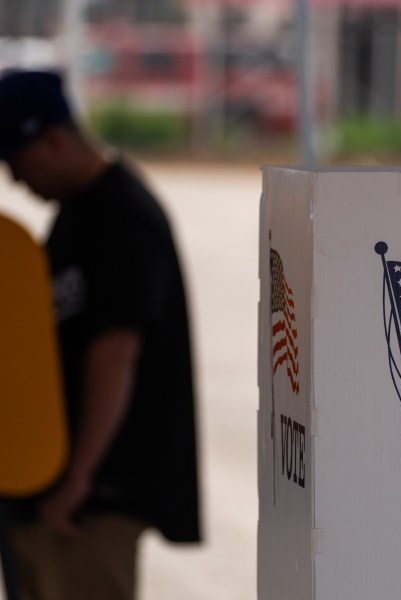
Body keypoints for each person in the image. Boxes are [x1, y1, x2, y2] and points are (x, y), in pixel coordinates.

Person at [0, 69, 202, 600]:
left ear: (54, 140)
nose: (16, 182)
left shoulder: (120, 217)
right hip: (56, 486)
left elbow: (116, 355)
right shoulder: (77, 214)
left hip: (94, 497)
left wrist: (77, 480)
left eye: (16, 164)